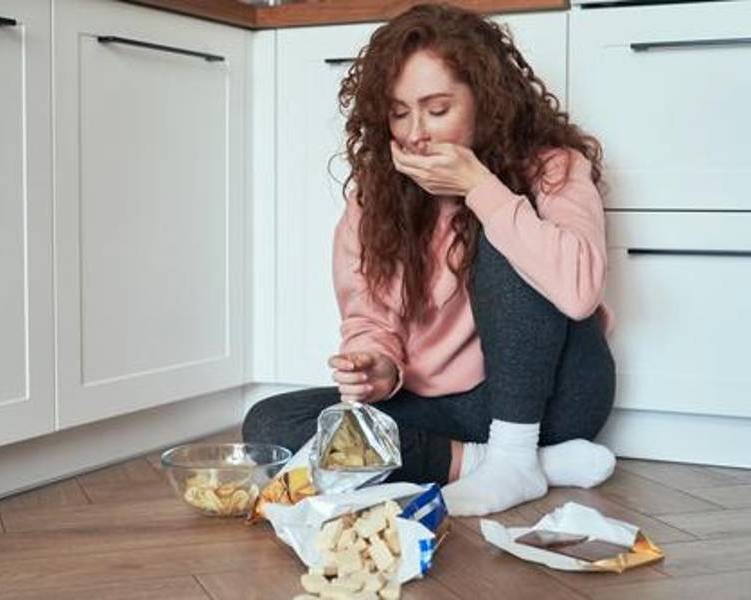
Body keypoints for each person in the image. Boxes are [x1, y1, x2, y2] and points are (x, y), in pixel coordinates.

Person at [243, 3, 617, 516]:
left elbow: (578, 293)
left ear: (487, 103)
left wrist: (482, 189)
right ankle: (504, 464)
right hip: (443, 410)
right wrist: (377, 365)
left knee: (507, 232)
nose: (415, 133)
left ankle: (515, 453)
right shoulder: (374, 199)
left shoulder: (553, 167)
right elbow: (369, 317)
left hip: (553, 398)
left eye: (437, 109)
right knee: (271, 424)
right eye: (399, 113)